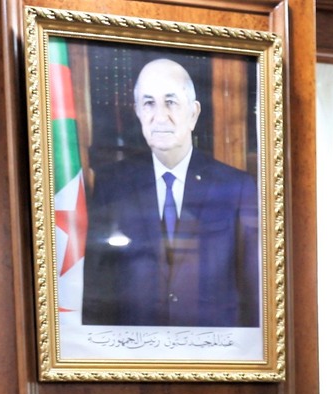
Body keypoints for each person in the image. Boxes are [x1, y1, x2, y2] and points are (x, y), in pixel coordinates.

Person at [80, 55, 259, 328]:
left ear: (193, 113)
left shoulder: (235, 187)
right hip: (134, 348)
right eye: (149, 103)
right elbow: (97, 288)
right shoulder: (113, 185)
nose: (160, 116)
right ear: (138, 112)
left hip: (214, 348)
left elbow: (255, 292)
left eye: (171, 102)